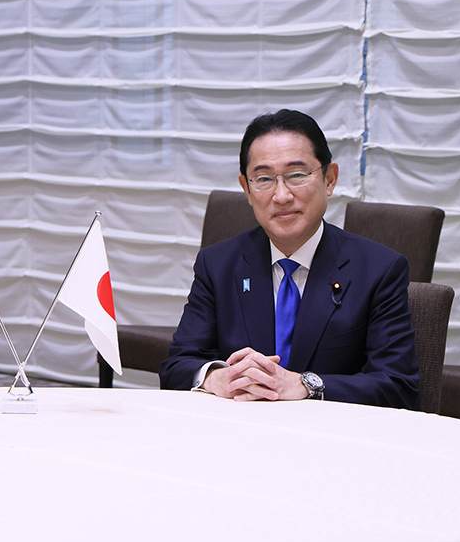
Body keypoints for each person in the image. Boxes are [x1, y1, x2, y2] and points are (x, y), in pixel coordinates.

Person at [159, 109, 418, 409]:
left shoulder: (378, 269)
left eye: (297, 175)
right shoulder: (218, 264)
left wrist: (305, 384)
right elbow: (176, 367)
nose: (281, 195)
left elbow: (397, 385)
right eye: (264, 178)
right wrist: (219, 378)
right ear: (247, 188)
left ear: (329, 179)